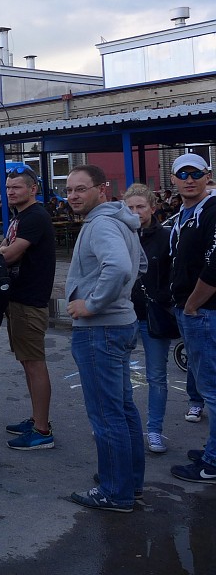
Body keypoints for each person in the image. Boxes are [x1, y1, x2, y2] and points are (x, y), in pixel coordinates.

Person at [64, 165, 146, 511]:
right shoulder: (120, 220)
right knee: (122, 408)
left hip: (101, 330)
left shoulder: (101, 224)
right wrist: (118, 297)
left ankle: (115, 491)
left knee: (106, 413)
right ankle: (127, 481)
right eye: (69, 190)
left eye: (80, 189)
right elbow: (139, 265)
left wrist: (93, 303)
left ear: (102, 189)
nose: (73, 196)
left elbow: (121, 267)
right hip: (118, 324)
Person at [0, 167, 57, 450]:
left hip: (30, 301)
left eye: (17, 187)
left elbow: (7, 255)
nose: (10, 192)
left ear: (33, 189)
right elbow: (3, 248)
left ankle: (42, 431)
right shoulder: (20, 217)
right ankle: (36, 419)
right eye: (8, 187)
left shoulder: (35, 216)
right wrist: (0, 253)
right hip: (18, 299)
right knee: (26, 361)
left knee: (34, 363)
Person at [167, 153, 216, 485]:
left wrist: (193, 304)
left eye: (195, 173)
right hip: (193, 310)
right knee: (206, 384)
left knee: (212, 389)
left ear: (207, 175)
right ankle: (212, 449)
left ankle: (213, 463)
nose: (189, 179)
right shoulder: (184, 214)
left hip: (204, 312)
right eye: (182, 174)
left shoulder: (211, 210)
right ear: (173, 179)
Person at [123, 184, 175, 454]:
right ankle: (122, 427)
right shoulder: (120, 235)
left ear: (152, 208)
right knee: (119, 375)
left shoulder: (167, 236)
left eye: (140, 206)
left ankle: (154, 430)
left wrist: (163, 298)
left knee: (156, 376)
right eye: (130, 207)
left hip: (154, 316)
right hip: (123, 316)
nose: (135, 212)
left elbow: (175, 275)